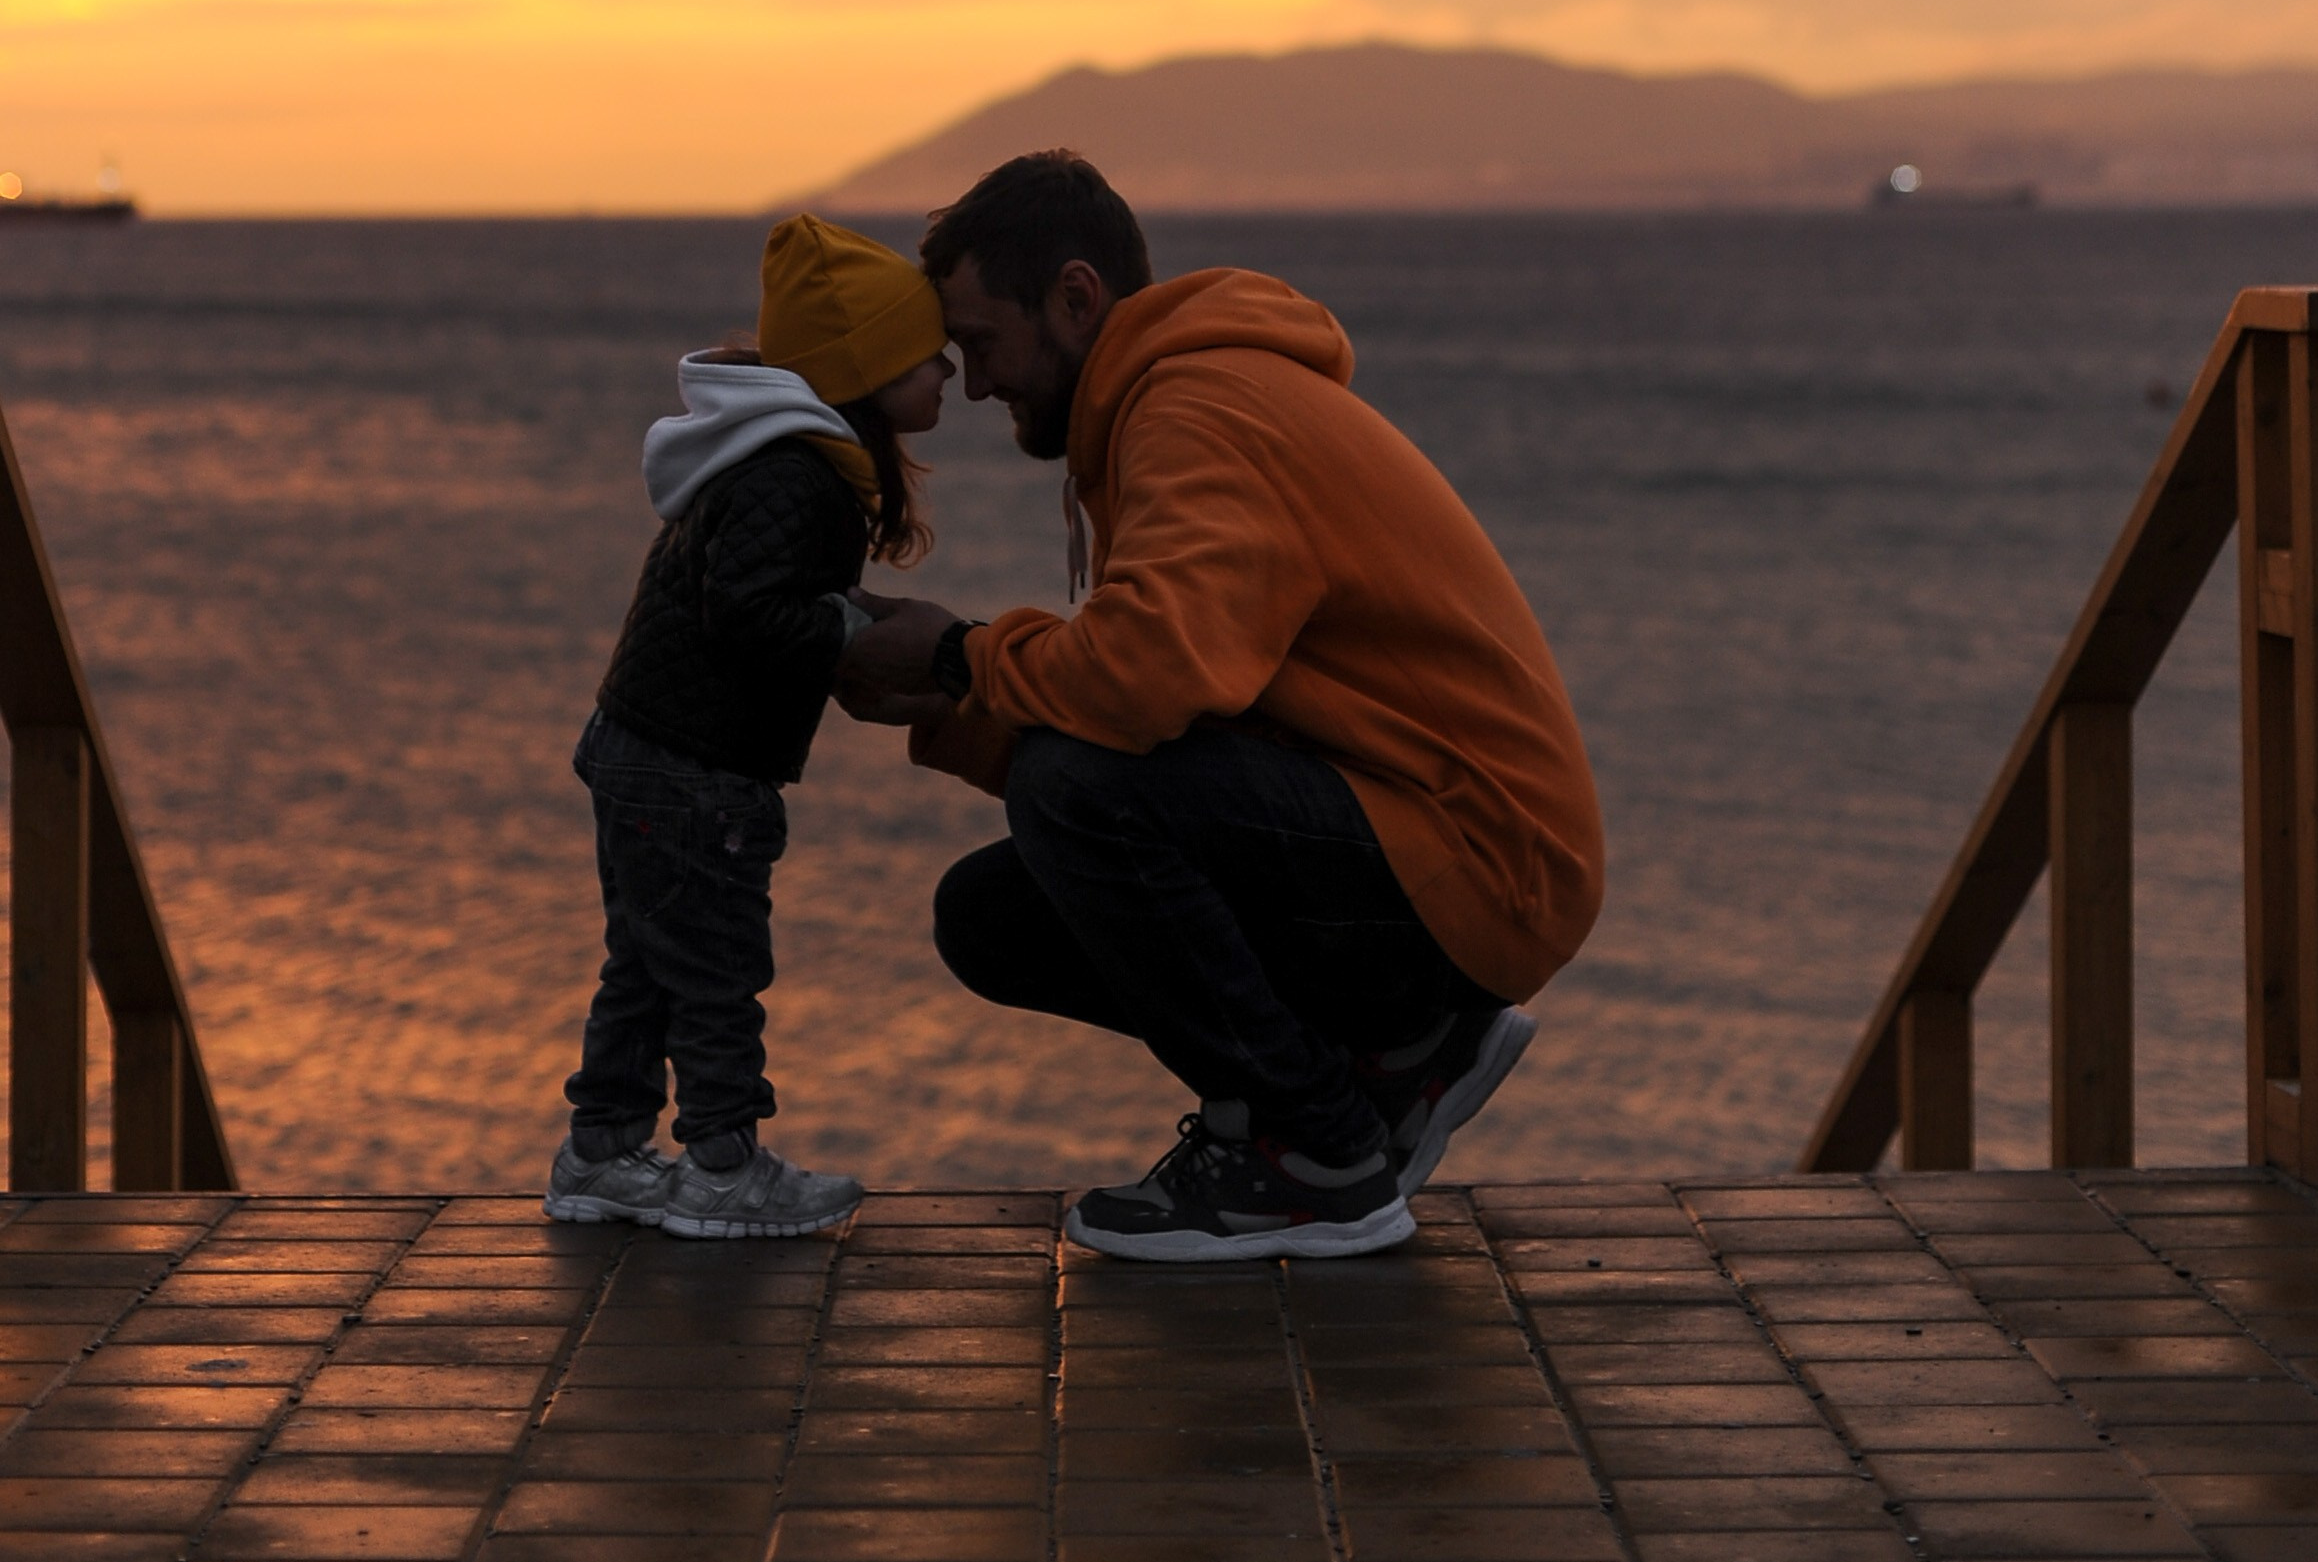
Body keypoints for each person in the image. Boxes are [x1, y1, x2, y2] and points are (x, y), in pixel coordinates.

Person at [837, 151, 1604, 1264]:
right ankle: (1393, 1059)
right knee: (992, 913)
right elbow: (1189, 712)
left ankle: (1314, 1155)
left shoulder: (1201, 409)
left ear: (1074, 296)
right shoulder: (1175, 405)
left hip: (1479, 864)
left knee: (1069, 792)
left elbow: (1148, 676)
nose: (979, 385)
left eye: (984, 343)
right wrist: (950, 695)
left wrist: (961, 656)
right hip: (1429, 844)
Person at [544, 214, 951, 1238]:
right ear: (862, 368)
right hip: (695, 767)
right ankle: (722, 1165)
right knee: (718, 966)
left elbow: (745, 597)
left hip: (639, 745)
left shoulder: (771, 460)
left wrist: (843, 620)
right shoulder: (799, 475)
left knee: (648, 960)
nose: (948, 368)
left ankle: (600, 1152)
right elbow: (748, 611)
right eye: (923, 353)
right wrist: (851, 628)